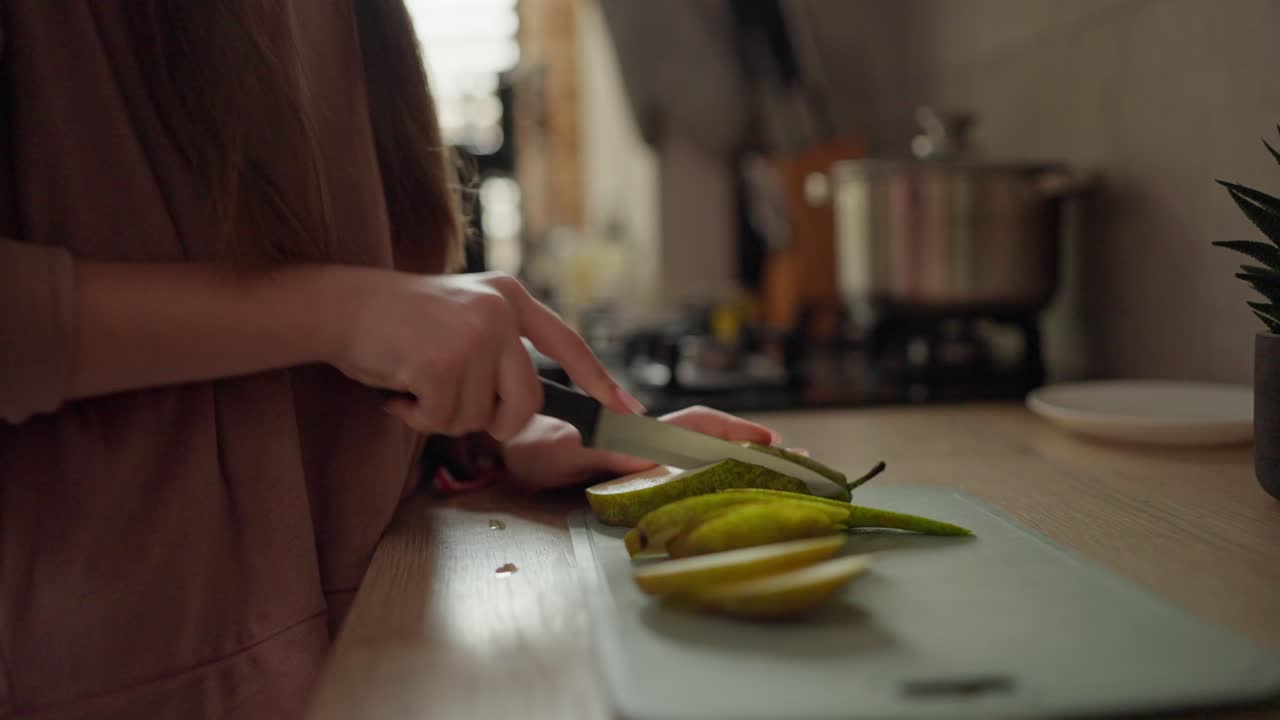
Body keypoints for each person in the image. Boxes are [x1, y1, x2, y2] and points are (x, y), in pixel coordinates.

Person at [0, 2, 779, 718]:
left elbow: (326, 370)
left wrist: (499, 431)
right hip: (125, 661)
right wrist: (340, 309)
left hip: (385, 644)